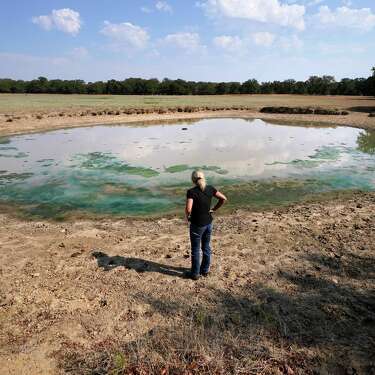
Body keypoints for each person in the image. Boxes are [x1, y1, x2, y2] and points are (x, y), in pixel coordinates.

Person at [185, 170, 227, 280]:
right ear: (203, 178)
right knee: (206, 247)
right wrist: (214, 209)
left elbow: (189, 208)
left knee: (195, 249)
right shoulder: (210, 188)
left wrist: (188, 216)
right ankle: (205, 270)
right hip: (208, 222)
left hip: (197, 224)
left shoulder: (191, 192)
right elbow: (223, 198)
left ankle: (195, 274)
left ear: (193, 180)